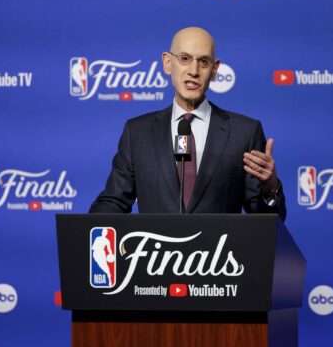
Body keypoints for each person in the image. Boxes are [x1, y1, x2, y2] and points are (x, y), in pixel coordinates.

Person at [89, 27, 285, 221]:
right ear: (167, 63)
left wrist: (270, 189)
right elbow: (113, 202)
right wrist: (85, 230)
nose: (193, 71)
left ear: (214, 70)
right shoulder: (137, 133)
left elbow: (266, 223)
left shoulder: (245, 132)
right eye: (184, 59)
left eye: (203, 62)